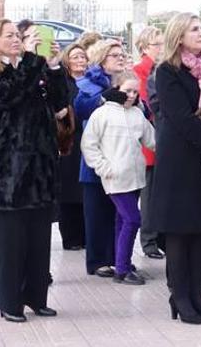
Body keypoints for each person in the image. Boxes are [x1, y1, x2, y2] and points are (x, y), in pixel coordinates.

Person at [0, 19, 68, 322]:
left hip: (40, 167)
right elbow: (8, 97)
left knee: (39, 240)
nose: (17, 40)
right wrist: (31, 59)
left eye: (19, 35)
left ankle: (36, 297)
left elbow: (61, 105)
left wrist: (53, 68)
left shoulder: (34, 67)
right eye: (11, 36)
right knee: (11, 243)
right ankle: (9, 303)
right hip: (8, 170)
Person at [146, 12, 201, 324]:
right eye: (194, 29)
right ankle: (179, 296)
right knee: (180, 233)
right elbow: (180, 118)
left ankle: (196, 294)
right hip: (180, 160)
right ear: (179, 35)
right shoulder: (167, 71)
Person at [81, 71, 156, 286]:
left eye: (135, 91)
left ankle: (120, 261)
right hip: (115, 177)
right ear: (116, 89)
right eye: (127, 90)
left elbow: (152, 140)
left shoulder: (136, 114)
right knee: (133, 219)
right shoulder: (102, 114)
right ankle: (122, 269)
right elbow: (89, 144)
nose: (132, 95)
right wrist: (103, 168)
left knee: (123, 220)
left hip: (135, 176)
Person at [75, 39, 127, 278]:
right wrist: (104, 98)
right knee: (97, 212)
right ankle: (97, 261)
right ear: (102, 57)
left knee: (121, 212)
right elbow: (81, 108)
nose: (121, 57)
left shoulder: (128, 80)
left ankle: (119, 258)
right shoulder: (88, 82)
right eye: (114, 54)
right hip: (97, 159)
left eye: (122, 53)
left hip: (123, 156)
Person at [132, 26, 165, 260]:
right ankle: (149, 240)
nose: (162, 49)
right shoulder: (139, 72)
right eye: (157, 45)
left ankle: (158, 237)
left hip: (163, 139)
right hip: (148, 142)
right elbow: (147, 106)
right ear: (144, 48)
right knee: (150, 195)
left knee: (160, 194)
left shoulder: (162, 70)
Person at [56, 44, 88, 251]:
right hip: (69, 139)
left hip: (88, 140)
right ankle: (70, 237)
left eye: (83, 56)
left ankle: (85, 234)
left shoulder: (93, 82)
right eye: (75, 57)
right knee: (68, 189)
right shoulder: (63, 83)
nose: (80, 60)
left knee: (84, 190)